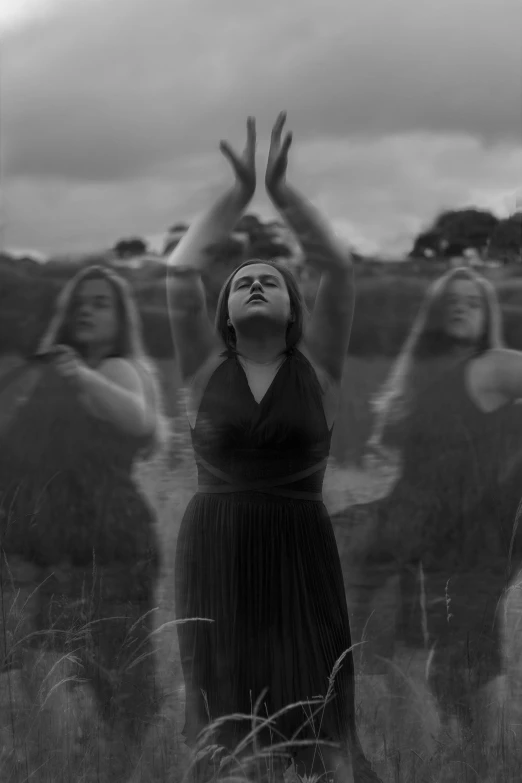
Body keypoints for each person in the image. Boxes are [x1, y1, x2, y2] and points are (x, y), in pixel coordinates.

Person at [168, 113, 380, 783]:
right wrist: (236, 194)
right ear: (225, 315)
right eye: (241, 283)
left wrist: (282, 195)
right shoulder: (205, 370)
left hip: (299, 544)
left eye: (270, 281)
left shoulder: (319, 369)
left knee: (317, 717)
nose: (255, 283)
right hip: (217, 544)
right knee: (224, 725)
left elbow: (337, 268)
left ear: (294, 308)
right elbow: (179, 275)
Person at [0, 264, 167, 780]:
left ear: (121, 316)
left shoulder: (122, 371)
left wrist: (79, 374)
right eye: (80, 302)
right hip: (39, 539)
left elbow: (138, 420)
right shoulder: (44, 377)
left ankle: (114, 770)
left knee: (118, 679)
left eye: (101, 302)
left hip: (108, 542)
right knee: (36, 667)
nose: (87, 310)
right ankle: (52, 767)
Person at [340, 266, 522, 736]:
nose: (460, 306)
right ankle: (468, 765)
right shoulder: (423, 380)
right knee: (443, 662)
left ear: (488, 315)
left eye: (473, 300)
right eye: (451, 300)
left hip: (466, 540)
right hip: (419, 536)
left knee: (438, 661)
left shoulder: (495, 366)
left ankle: (459, 765)